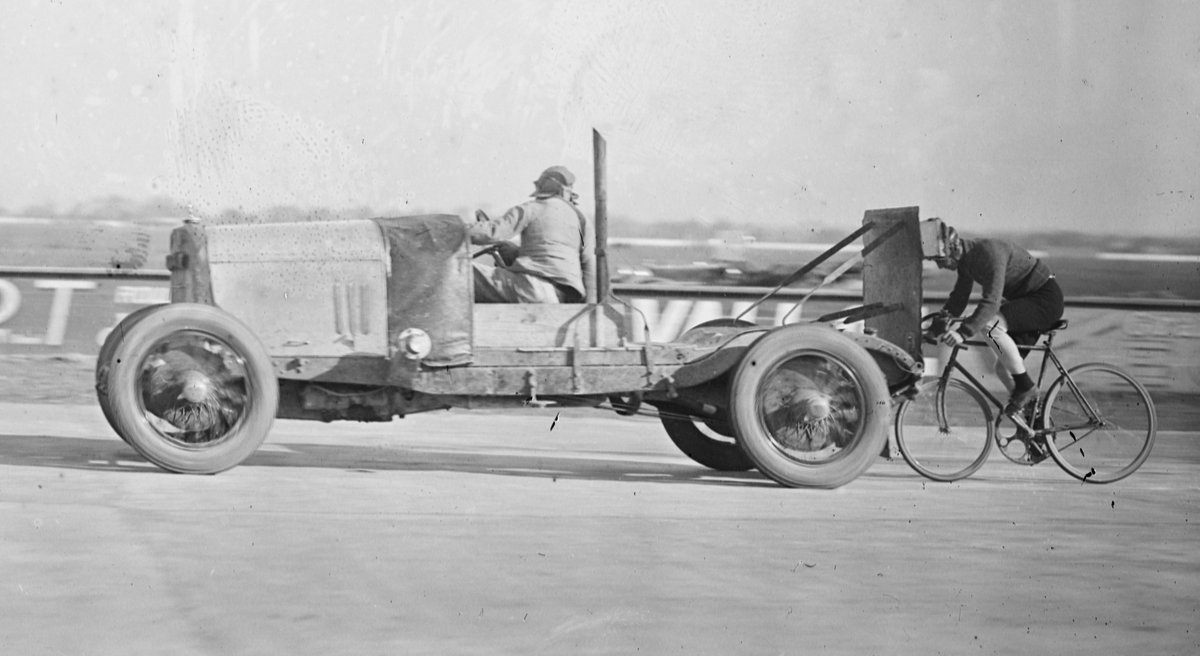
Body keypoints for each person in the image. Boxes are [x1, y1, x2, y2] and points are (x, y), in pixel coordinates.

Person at [927, 221, 1065, 413]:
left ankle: (1026, 388)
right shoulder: (965, 261)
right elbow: (959, 298)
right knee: (1003, 368)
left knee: (991, 326)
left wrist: (963, 333)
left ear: (954, 248)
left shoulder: (989, 254)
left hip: (1044, 299)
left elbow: (991, 302)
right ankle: (1033, 418)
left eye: (941, 259)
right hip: (1026, 300)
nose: (940, 266)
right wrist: (937, 325)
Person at [469, 165, 595, 304]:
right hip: (560, 299)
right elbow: (589, 265)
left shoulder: (532, 208)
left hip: (530, 289)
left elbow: (491, 232)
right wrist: (590, 306)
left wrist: (456, 230)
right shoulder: (582, 221)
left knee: (463, 271)